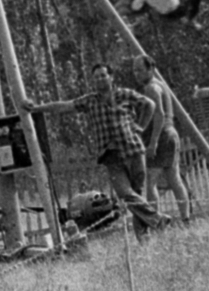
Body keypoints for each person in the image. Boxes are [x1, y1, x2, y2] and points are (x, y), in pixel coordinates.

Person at [25, 63, 169, 237]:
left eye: (103, 75)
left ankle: (144, 239)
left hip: (133, 150)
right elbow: (63, 106)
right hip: (111, 156)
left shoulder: (124, 94)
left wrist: (141, 126)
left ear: (111, 77)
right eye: (96, 77)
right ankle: (158, 219)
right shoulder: (90, 100)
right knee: (125, 194)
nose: (100, 79)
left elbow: (150, 105)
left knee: (136, 196)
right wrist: (36, 108)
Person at [129, 55, 192, 222]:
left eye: (140, 70)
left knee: (150, 181)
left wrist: (153, 143)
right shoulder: (162, 86)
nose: (137, 74)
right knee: (174, 178)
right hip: (172, 134)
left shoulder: (151, 88)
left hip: (161, 137)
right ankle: (186, 219)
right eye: (134, 70)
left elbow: (159, 115)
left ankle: (154, 221)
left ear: (150, 69)